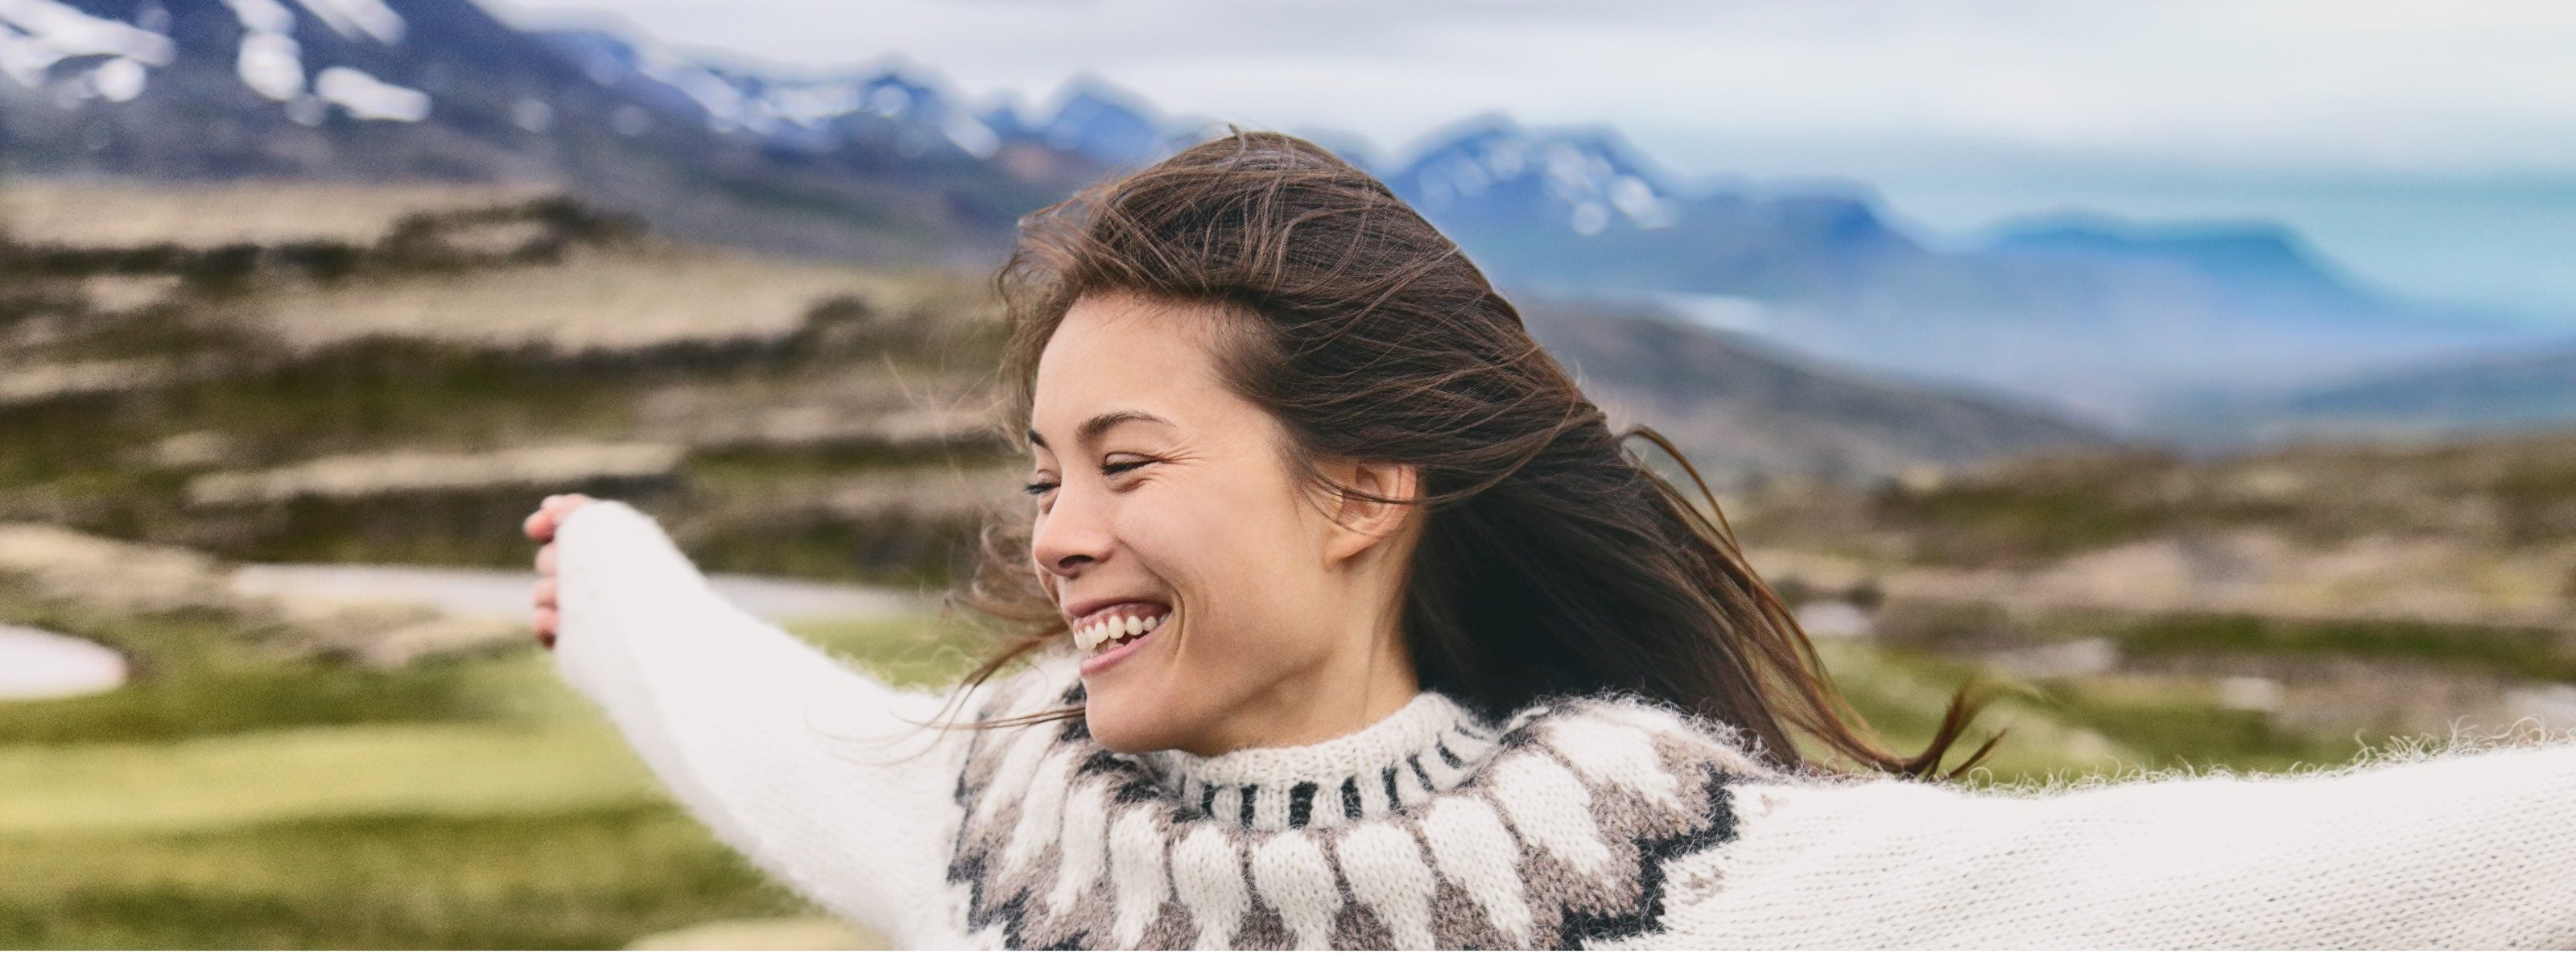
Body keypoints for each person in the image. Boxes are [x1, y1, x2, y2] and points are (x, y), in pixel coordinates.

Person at [522, 131, 2576, 950]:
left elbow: (2224, 895)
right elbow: (766, 730)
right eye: (1044, 470)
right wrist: (616, 582)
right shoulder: (995, 822)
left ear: (1362, 486)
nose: (1058, 533)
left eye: (1126, 463)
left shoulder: (1655, 878)